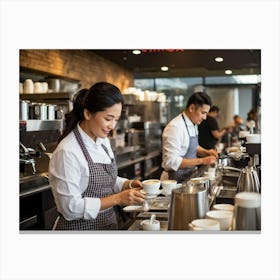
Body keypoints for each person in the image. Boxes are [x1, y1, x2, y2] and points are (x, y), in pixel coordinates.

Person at [48, 82, 145, 230]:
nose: (112, 126)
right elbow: (70, 208)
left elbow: (105, 180)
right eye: (108, 118)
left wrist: (128, 184)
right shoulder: (67, 151)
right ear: (88, 114)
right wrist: (118, 198)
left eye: (116, 119)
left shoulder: (102, 140)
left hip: (107, 225)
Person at [160, 91, 218, 183]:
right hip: (173, 182)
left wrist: (206, 152)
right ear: (192, 108)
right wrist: (202, 161)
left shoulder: (193, 124)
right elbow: (170, 162)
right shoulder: (175, 127)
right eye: (203, 113)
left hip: (188, 178)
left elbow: (192, 147)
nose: (205, 117)